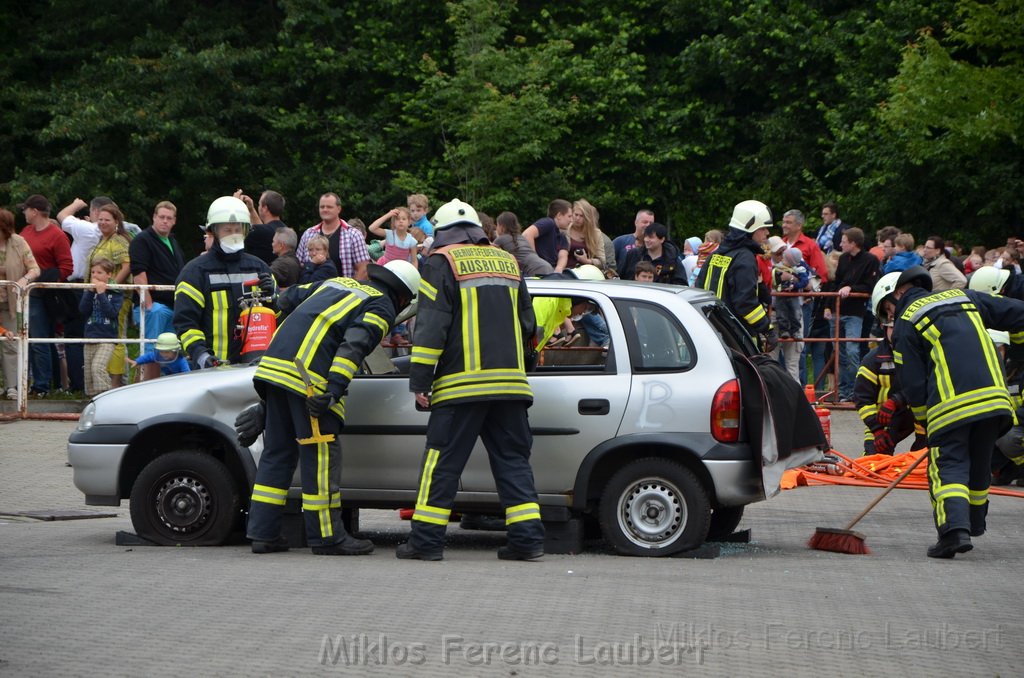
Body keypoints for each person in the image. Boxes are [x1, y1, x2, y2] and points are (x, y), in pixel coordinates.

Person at [398, 198, 544, 561]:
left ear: (444, 233)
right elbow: (529, 324)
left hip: (461, 386)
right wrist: (524, 369)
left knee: (442, 463)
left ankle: (426, 542)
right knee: (513, 462)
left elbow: (432, 325)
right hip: (510, 387)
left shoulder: (440, 262)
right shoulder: (509, 262)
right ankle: (527, 541)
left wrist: (420, 381)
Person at [241, 260, 420, 555]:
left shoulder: (336, 283)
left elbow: (288, 298)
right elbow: (354, 345)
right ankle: (327, 537)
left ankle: (263, 534)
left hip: (272, 370)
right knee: (321, 460)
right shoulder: (381, 306)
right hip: (309, 381)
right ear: (403, 297)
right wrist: (334, 389)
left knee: (277, 454)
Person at [873, 265, 1024, 558]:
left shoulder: (907, 320)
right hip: (994, 401)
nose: (891, 317)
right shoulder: (966, 297)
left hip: (951, 406)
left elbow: (914, 382)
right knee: (979, 463)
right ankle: (973, 523)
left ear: (900, 292)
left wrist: (924, 422)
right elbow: (1016, 312)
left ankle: (953, 533)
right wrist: (1019, 352)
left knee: (948, 465)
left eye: (889, 309)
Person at [174, 196, 274, 369]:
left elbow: (276, 319)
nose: (234, 234)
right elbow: (186, 324)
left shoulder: (260, 268)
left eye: (238, 229)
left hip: (254, 367)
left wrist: (274, 297)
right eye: (227, 230)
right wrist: (202, 356)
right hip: (213, 369)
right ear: (213, 231)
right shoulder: (195, 272)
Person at [696, 200, 777, 349]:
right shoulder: (745, 258)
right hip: (738, 338)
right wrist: (767, 328)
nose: (767, 233)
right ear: (750, 228)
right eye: (763, 228)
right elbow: (746, 303)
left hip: (711, 333)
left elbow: (698, 288)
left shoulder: (716, 255)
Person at [18, 194, 73, 396]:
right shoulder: (25, 232)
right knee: (34, 339)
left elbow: (67, 267)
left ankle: (41, 386)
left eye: (25, 209)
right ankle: (44, 383)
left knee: (40, 339)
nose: (23, 212)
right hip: (29, 291)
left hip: (44, 293)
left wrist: (44, 281)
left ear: (34, 211)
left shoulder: (57, 235)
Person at [853, 307, 926, 456]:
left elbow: (925, 384)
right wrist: (877, 430)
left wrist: (897, 400)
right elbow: (862, 399)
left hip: (920, 416)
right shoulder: (873, 361)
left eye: (900, 327)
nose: (897, 332)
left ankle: (922, 449)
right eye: (893, 328)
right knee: (874, 462)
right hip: (885, 419)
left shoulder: (921, 354)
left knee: (924, 460)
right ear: (884, 327)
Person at [822, 227, 879, 402]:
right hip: (838, 310)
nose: (840, 244)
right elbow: (836, 283)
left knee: (852, 350)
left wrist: (851, 289)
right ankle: (843, 391)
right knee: (839, 352)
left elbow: (870, 286)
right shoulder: (843, 259)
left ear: (853, 243)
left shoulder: (870, 260)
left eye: (844, 241)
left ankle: (858, 390)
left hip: (855, 311)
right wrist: (828, 306)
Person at [128, 201, 185, 365]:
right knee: (152, 351)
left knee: (172, 353)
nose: (165, 221)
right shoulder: (142, 240)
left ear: (174, 221)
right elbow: (138, 273)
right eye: (161, 217)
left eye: (169, 218)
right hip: (155, 307)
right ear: (154, 217)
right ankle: (147, 384)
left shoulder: (173, 241)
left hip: (173, 306)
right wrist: (149, 306)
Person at [86, 203, 133, 388]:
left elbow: (127, 264)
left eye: (107, 220)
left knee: (117, 338)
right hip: (99, 296)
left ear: (116, 222)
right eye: (100, 220)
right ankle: (106, 381)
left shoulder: (119, 240)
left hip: (115, 297)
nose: (103, 223)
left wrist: (112, 286)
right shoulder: (102, 240)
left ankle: (117, 383)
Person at [0, 208, 40, 399]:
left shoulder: (18, 243)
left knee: (10, 343)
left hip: (10, 303)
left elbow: (34, 269)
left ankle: (12, 387)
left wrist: (23, 281)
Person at [296, 192, 370, 280]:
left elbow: (363, 269)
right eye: (322, 207)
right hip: (312, 291)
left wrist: (352, 290)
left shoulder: (353, 235)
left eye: (329, 207)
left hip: (344, 291)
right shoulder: (308, 234)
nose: (325, 209)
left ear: (339, 209)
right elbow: (299, 265)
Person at [78, 258, 123, 396]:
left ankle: (106, 397)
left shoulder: (116, 292)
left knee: (98, 367)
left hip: (107, 338)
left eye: (99, 272)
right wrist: (91, 292)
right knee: (89, 373)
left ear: (109, 275)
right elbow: (83, 310)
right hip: (90, 336)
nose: (95, 275)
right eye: (93, 272)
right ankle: (92, 400)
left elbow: (111, 312)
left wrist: (102, 294)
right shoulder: (89, 291)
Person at [618, 223, 687, 284]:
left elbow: (681, 284)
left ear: (662, 239)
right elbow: (621, 277)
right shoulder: (634, 254)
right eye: (645, 236)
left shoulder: (672, 259)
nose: (647, 240)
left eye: (651, 237)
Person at [493, 211, 553, 277]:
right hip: (547, 267)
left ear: (502, 226)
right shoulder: (521, 237)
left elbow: (490, 251)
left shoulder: (501, 239)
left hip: (535, 271)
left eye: (497, 225)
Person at [237, 189, 286, 266]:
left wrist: (235, 204)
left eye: (259, 204)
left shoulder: (261, 232)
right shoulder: (284, 229)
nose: (258, 207)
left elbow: (234, 230)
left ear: (265, 208)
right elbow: (262, 228)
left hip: (257, 275)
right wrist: (251, 209)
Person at [522, 199, 571, 272]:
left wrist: (559, 269)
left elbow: (563, 256)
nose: (571, 220)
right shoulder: (549, 222)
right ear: (559, 215)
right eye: (569, 216)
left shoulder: (562, 236)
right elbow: (527, 234)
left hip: (551, 273)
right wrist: (536, 261)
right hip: (539, 273)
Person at [567, 199, 608, 271]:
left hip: (587, 272)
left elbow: (602, 261)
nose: (577, 218)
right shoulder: (565, 230)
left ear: (587, 217)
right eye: (576, 214)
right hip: (566, 271)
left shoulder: (595, 233)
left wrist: (587, 261)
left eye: (581, 216)